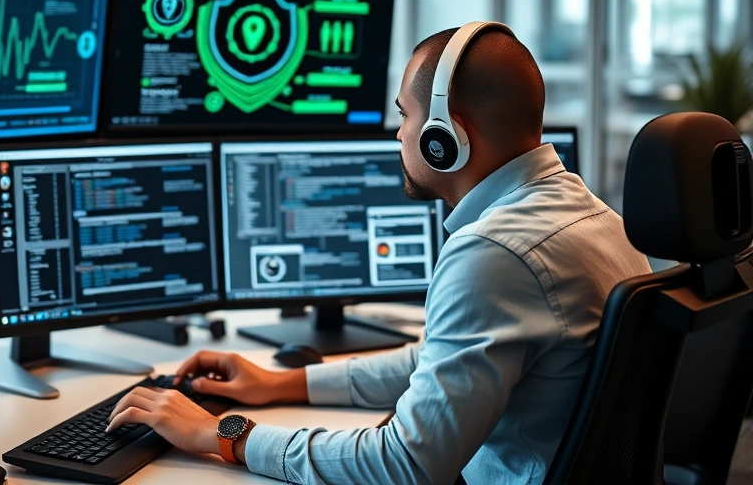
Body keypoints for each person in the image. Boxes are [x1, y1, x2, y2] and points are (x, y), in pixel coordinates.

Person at [106, 24, 652, 484]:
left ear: (446, 135)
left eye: (405, 115)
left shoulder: (494, 252)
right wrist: (281, 383)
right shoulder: (597, 219)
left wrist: (221, 433)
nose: (398, 133)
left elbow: (407, 464)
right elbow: (441, 363)